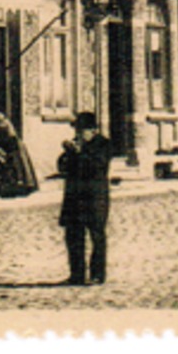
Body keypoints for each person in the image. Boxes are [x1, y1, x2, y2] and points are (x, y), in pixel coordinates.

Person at [57, 111, 112, 285]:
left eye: (82, 130)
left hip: (94, 197)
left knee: (96, 236)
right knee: (73, 236)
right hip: (74, 198)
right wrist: (67, 153)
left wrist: (80, 153)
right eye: (77, 130)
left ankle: (97, 274)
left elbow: (98, 166)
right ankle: (76, 274)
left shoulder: (103, 144)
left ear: (93, 130)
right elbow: (62, 167)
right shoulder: (77, 145)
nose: (78, 134)